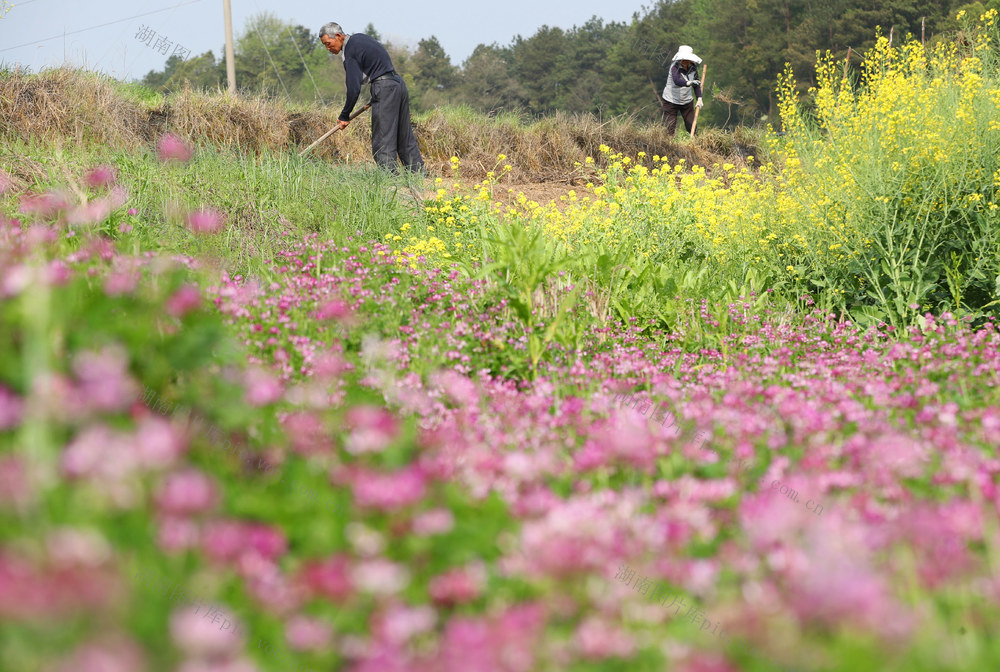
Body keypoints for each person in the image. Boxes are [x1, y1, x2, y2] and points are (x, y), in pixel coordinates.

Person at [319, 22, 426, 175]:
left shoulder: (350, 52)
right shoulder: (360, 39)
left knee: (383, 139)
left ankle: (390, 182)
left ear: (338, 36)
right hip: (397, 84)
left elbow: (354, 88)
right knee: (404, 138)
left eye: (328, 44)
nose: (328, 49)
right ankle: (420, 176)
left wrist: (344, 115)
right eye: (325, 46)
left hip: (385, 87)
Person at [661, 45, 704, 136]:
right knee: (670, 127)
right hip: (671, 101)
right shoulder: (674, 67)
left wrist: (699, 98)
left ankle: (695, 144)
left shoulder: (693, 68)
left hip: (686, 101)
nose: (685, 61)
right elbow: (677, 81)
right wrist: (688, 83)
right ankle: (669, 146)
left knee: (692, 126)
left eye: (687, 59)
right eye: (683, 59)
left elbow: (696, 84)